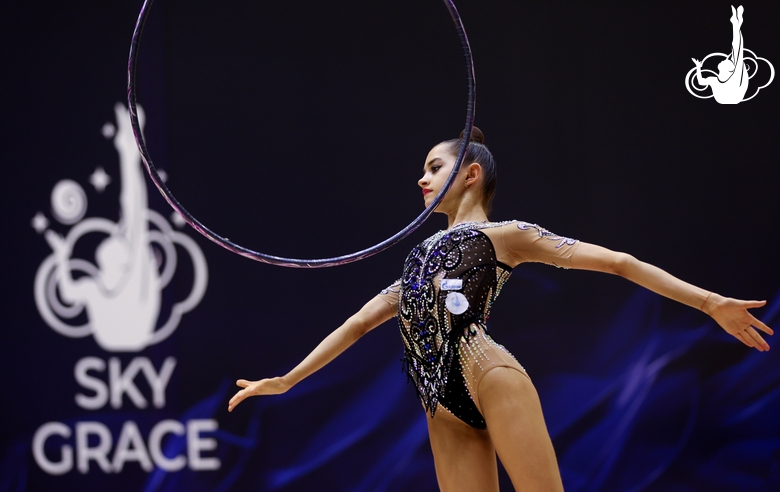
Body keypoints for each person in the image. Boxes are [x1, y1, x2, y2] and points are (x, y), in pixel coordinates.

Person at [228, 127, 773, 491]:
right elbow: (357, 323)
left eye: (434, 166)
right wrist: (287, 380)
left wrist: (710, 302)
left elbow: (618, 261)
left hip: (489, 375)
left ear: (471, 173)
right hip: (439, 405)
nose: (421, 178)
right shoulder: (418, 258)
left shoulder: (505, 235)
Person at [692, 5, 748, 104]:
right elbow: (700, 82)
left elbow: (737, 50)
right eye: (728, 60)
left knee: (737, 51)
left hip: (733, 96)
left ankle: (736, 24)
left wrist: (698, 67)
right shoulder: (716, 79)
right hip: (731, 97)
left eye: (726, 61)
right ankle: (736, 24)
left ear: (729, 69)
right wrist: (698, 67)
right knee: (737, 52)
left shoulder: (727, 78)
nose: (724, 59)